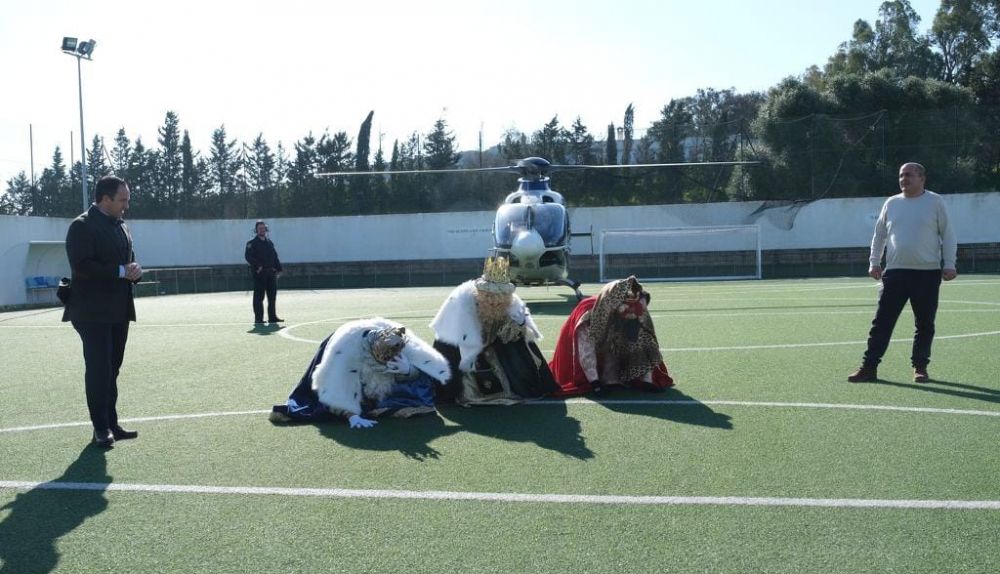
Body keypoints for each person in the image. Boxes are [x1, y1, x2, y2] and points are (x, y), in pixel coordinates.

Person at [848, 162, 958, 384]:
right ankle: (869, 367)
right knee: (882, 322)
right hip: (895, 273)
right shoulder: (892, 203)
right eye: (901, 176)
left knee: (925, 324)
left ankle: (920, 368)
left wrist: (950, 264)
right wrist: (874, 262)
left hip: (927, 274)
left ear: (922, 178)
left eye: (909, 175)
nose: (904, 179)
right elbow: (879, 236)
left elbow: (948, 234)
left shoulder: (935, 202)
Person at [62, 175, 142, 448]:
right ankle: (100, 428)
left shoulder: (121, 225)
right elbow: (82, 266)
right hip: (91, 312)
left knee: (112, 368)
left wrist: (134, 271)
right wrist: (122, 272)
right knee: (99, 370)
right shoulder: (81, 226)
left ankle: (111, 423)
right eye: (122, 200)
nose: (126, 206)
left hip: (118, 309)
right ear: (105, 199)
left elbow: (128, 262)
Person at [269, 318, 451, 428]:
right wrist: (352, 415)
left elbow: (428, 372)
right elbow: (332, 385)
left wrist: (409, 370)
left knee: (415, 391)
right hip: (341, 353)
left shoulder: (404, 344)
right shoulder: (345, 351)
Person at [430, 257, 558, 405]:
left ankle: (524, 384)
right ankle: (457, 389)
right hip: (458, 345)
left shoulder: (513, 304)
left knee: (518, 340)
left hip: (493, 344)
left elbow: (527, 335)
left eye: (500, 296)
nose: (495, 301)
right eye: (489, 295)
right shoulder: (462, 303)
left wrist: (520, 325)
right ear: (480, 293)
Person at [548, 275, 674, 396]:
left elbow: (645, 344)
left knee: (639, 336)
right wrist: (594, 382)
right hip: (586, 346)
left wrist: (647, 380)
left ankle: (617, 377)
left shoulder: (636, 309)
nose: (631, 314)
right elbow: (586, 350)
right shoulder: (589, 316)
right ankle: (603, 378)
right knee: (596, 349)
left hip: (612, 331)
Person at [245, 220, 283, 324]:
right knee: (259, 297)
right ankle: (258, 319)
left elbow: (275, 257)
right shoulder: (251, 243)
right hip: (259, 274)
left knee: (272, 297)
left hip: (271, 274)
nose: (262, 230)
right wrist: (258, 266)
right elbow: (248, 257)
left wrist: (279, 269)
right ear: (256, 230)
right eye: (260, 228)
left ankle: (272, 317)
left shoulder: (269, 243)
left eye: (263, 228)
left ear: (266, 229)